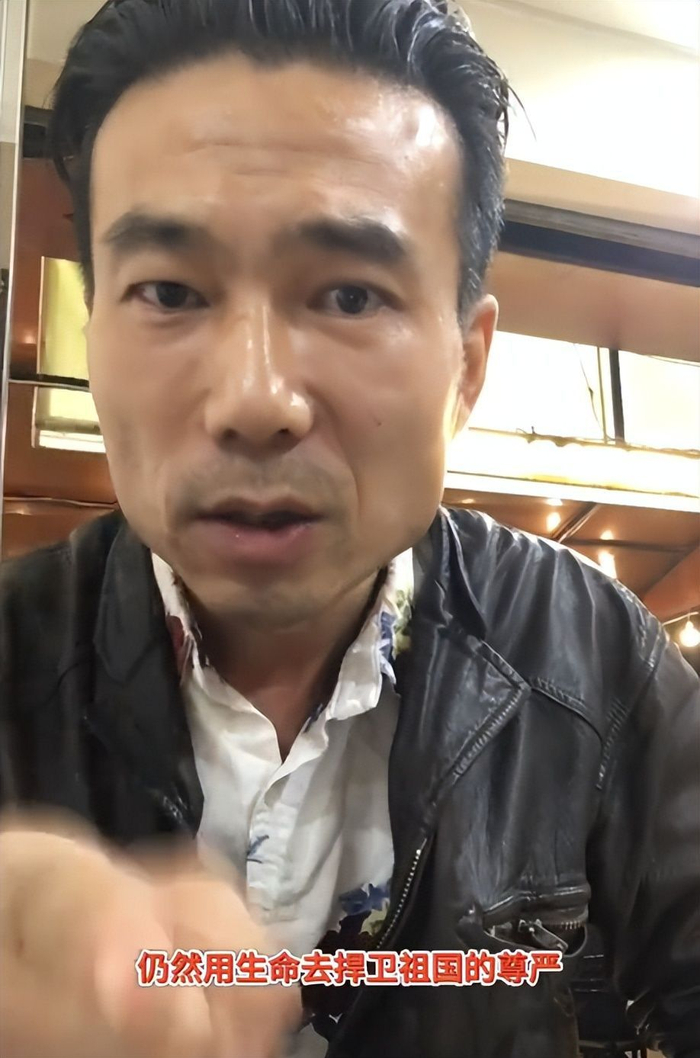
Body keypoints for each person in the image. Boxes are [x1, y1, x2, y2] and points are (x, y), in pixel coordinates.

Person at [0, 0, 698, 1056]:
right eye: (170, 291)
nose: (255, 400)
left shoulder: (594, 656)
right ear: (93, 330)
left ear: (467, 365)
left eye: (349, 296)